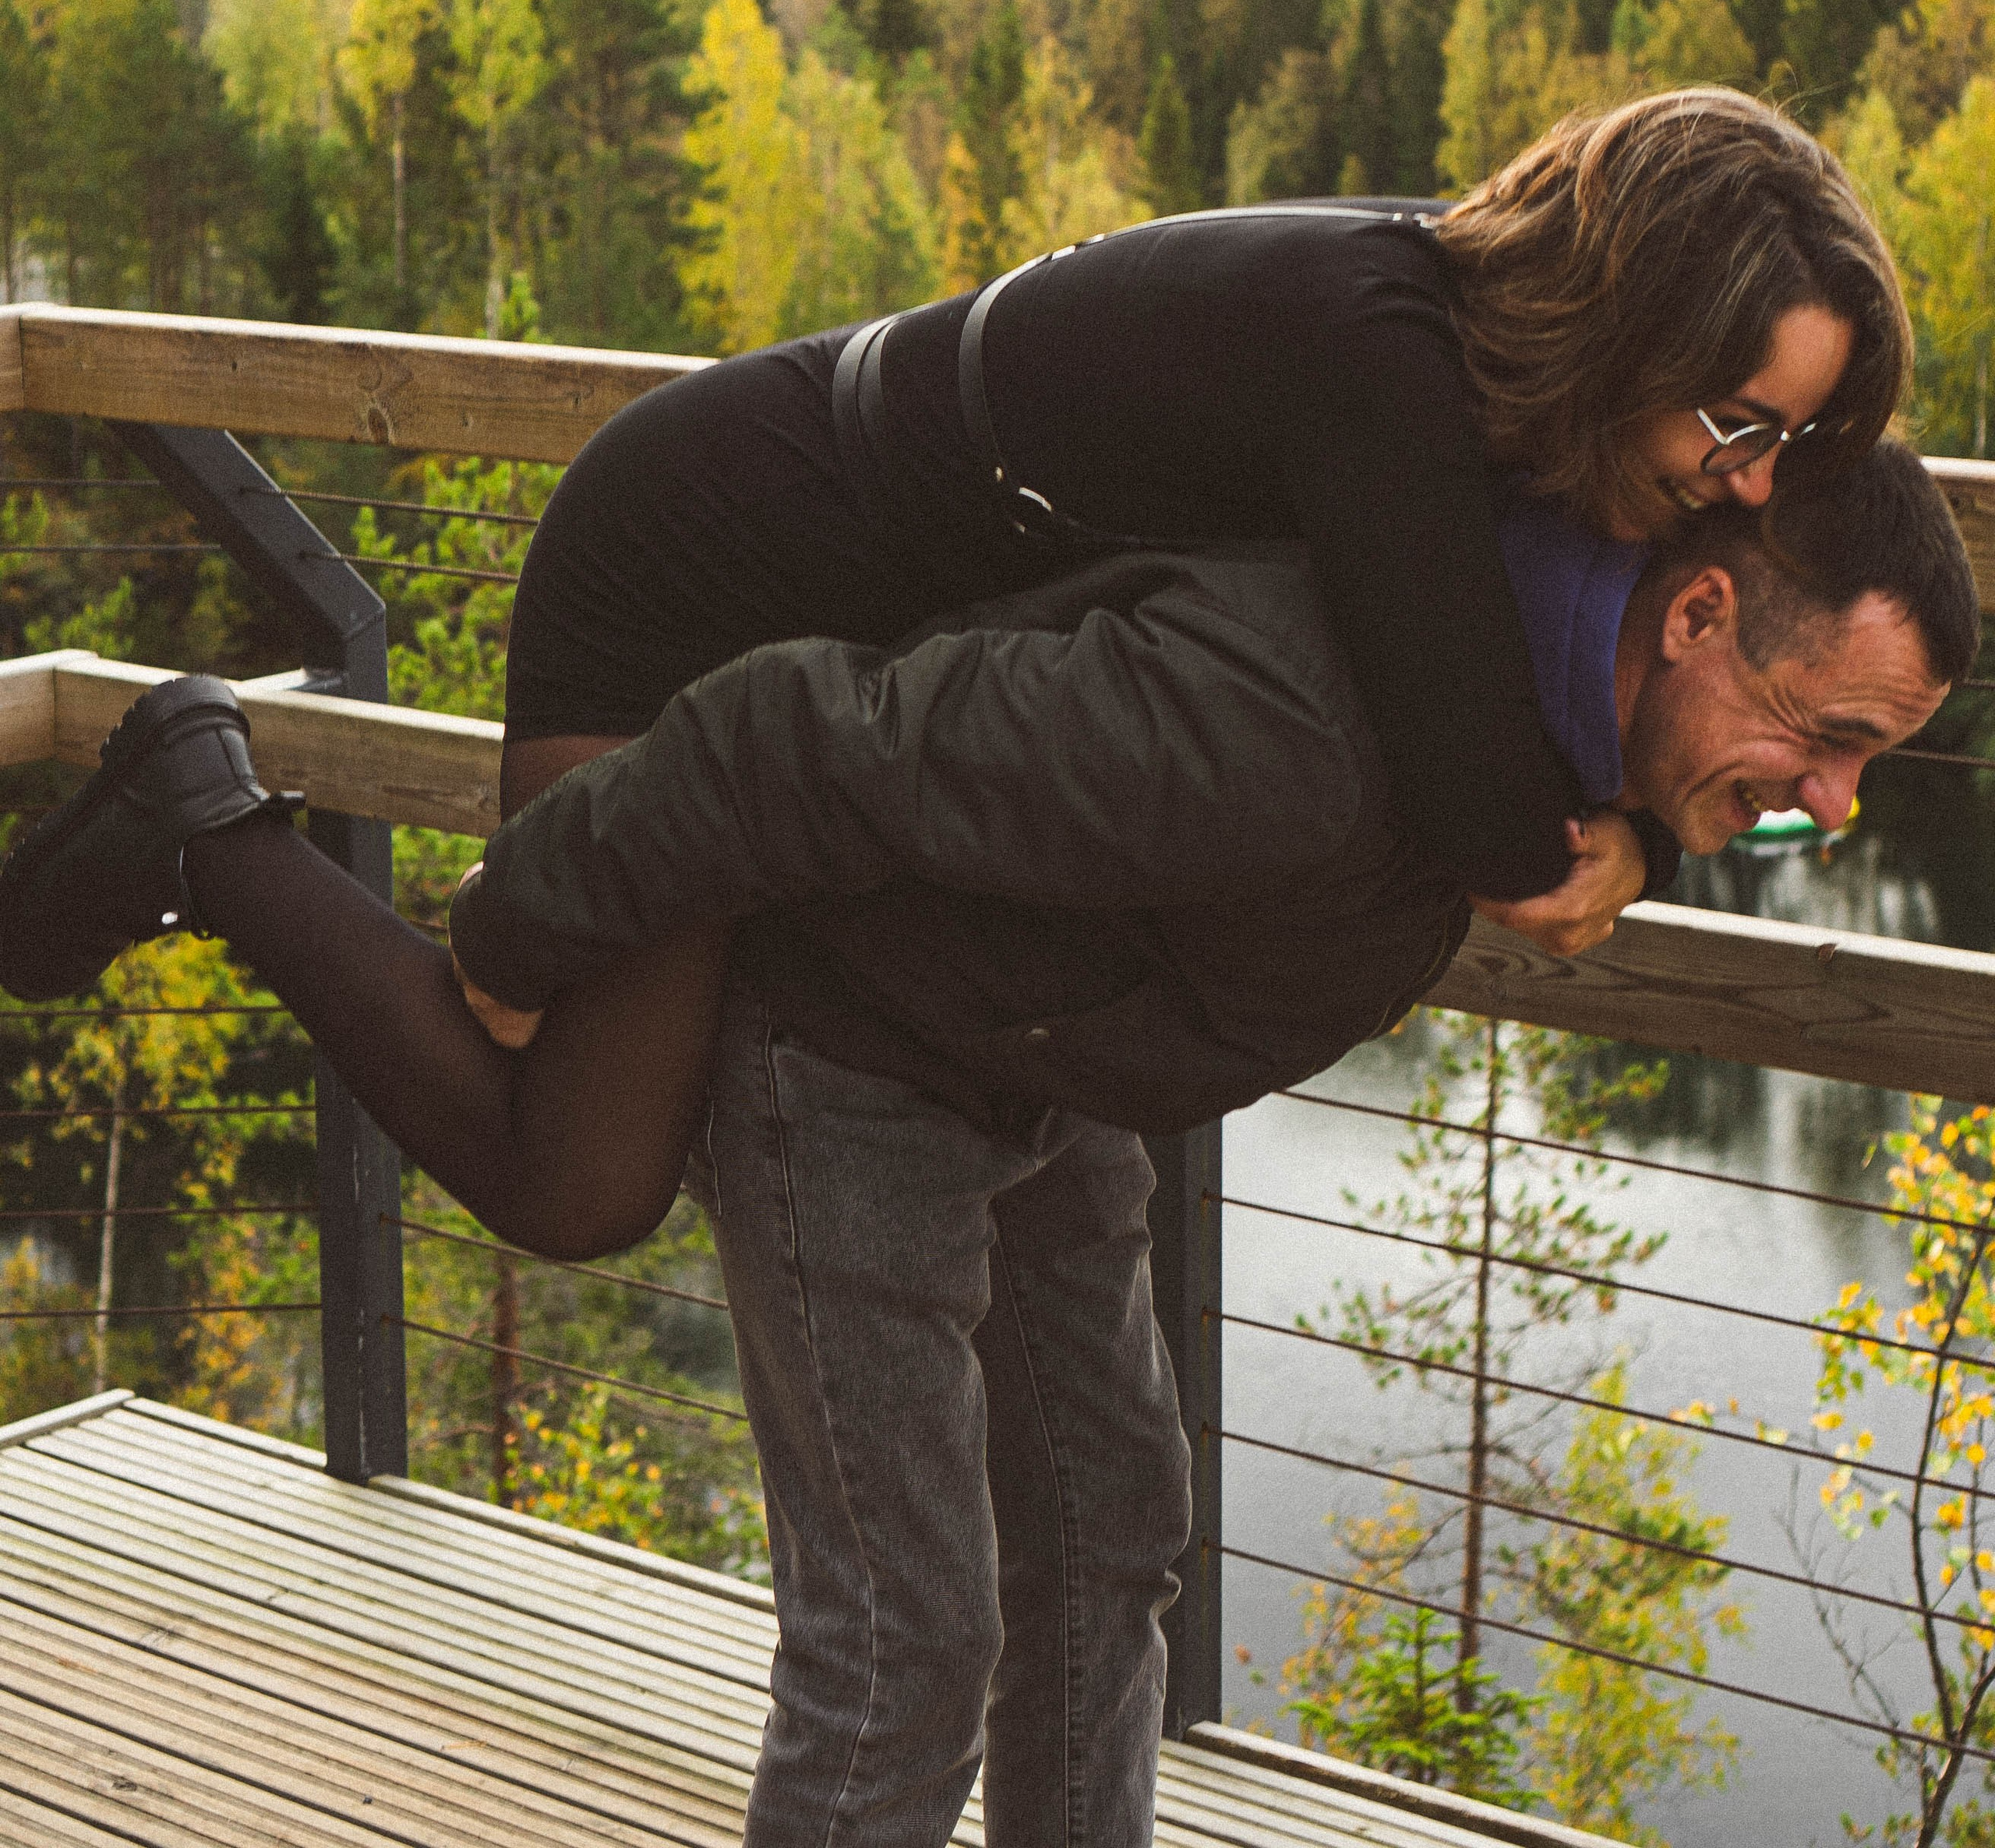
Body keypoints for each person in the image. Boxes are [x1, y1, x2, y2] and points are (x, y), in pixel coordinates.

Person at [0, 443, 1974, 1847]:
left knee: (1108, 1526)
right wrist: (520, 932)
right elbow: (792, 741)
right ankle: (214, 836)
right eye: (1827, 739)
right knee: (907, 1637)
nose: (1824, 803)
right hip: (849, 1061)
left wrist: (1618, 822)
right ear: (1699, 609)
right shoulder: (1274, 712)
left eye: (1862, 778)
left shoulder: (1519, 712)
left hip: (1040, 1068)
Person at [499, 85, 1912, 964]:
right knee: (576, 1158)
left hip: (854, 612)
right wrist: (1648, 843)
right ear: (1632, 333)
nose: (1752, 485)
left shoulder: (1496, 370)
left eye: (1784, 443)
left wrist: (1652, 822)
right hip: (709, 538)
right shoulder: (1385, 362)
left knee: (662, 1085)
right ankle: (262, 830)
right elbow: (1492, 817)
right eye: (1739, 425)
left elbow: (1539, 701)